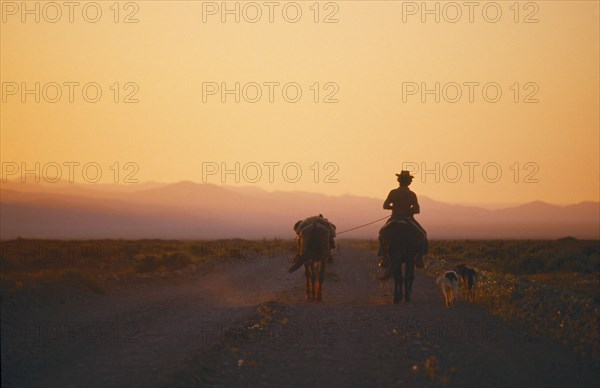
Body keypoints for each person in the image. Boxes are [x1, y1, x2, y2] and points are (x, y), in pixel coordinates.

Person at [377, 170, 428, 261]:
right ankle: (420, 257)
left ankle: (384, 256)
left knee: (382, 234)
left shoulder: (393, 192)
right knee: (423, 234)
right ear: (409, 182)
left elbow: (385, 205)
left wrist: (393, 208)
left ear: (399, 180)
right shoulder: (412, 194)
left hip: (394, 218)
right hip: (409, 219)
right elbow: (417, 210)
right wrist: (410, 211)